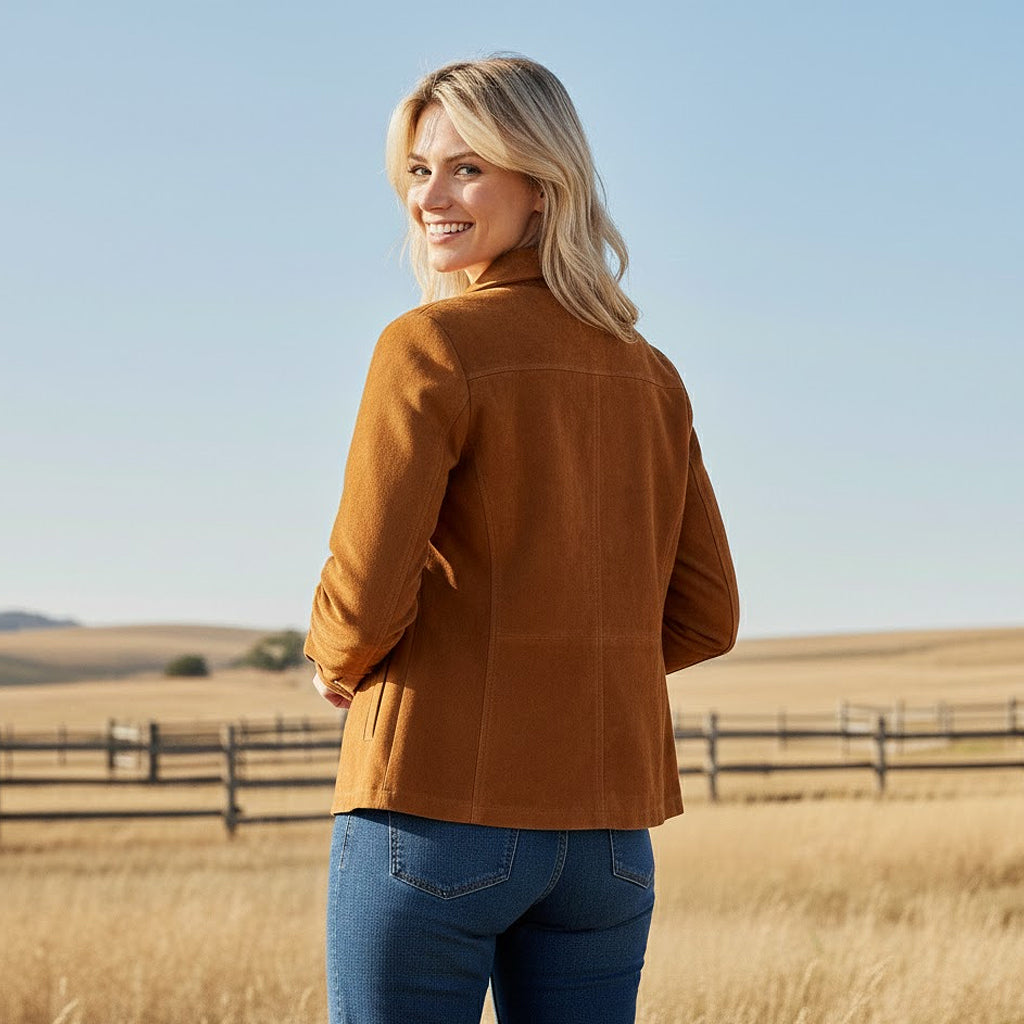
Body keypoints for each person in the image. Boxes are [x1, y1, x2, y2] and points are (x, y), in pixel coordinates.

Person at [305, 54, 739, 1024]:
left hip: (431, 813)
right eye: (418, 171)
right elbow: (709, 613)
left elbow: (364, 598)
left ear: (542, 187)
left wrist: (335, 659)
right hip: (606, 846)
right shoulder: (653, 376)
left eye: (466, 168)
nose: (431, 198)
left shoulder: (428, 347)